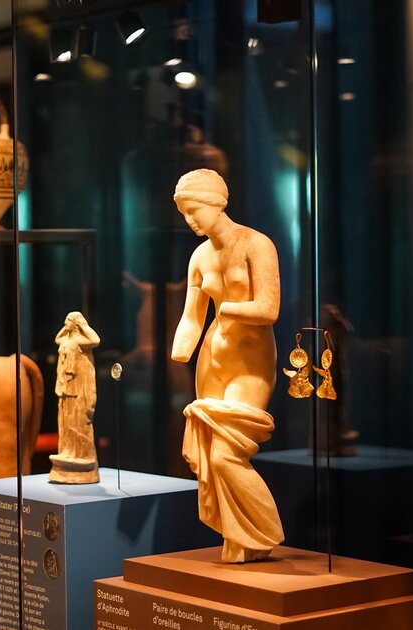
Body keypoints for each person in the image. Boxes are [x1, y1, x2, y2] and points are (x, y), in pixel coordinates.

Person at [170, 168, 284, 563]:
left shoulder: (257, 244)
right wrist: (179, 353)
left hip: (250, 363)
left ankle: (264, 532)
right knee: (211, 457)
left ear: (216, 203)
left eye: (193, 210)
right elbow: (191, 317)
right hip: (211, 362)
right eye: (184, 213)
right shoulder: (199, 257)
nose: (189, 220)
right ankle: (238, 540)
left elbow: (269, 309)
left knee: (225, 456)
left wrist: (229, 308)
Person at [49, 311, 101, 483]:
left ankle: (81, 454)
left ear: (76, 323)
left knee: (78, 420)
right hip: (65, 385)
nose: (65, 323)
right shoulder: (66, 340)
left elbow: (95, 340)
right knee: (66, 421)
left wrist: (83, 325)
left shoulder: (80, 341)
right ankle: (68, 451)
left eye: (68, 321)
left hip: (77, 387)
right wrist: (67, 328)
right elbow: (57, 338)